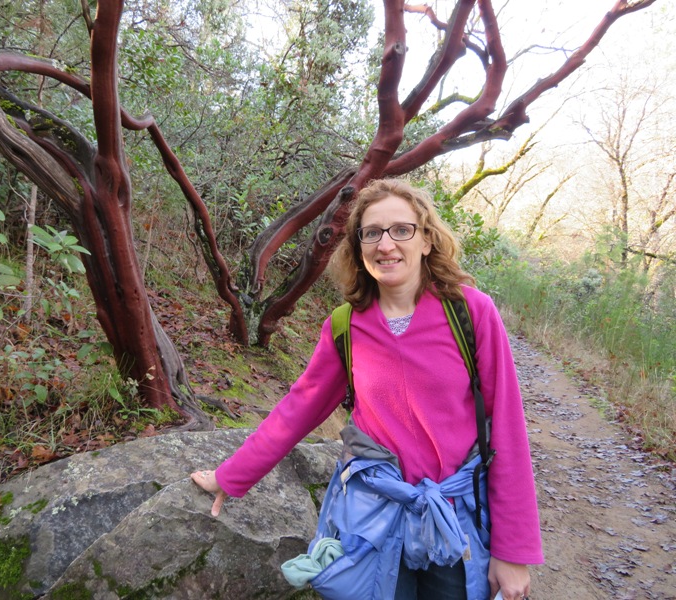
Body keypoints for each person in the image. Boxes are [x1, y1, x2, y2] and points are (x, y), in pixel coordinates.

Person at [191, 178, 543, 600]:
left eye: (401, 229)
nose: (386, 244)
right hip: (372, 520)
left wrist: (513, 551)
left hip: (454, 519)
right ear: (358, 248)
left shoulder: (470, 312)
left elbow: (507, 429)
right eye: (371, 233)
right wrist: (231, 476)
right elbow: (297, 410)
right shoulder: (346, 325)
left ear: (427, 240)